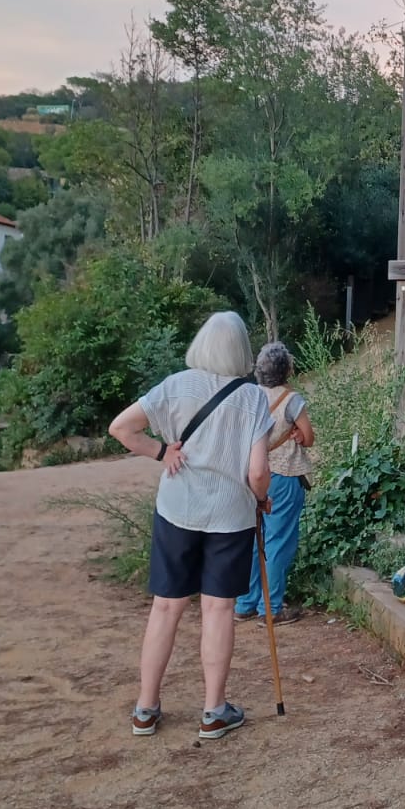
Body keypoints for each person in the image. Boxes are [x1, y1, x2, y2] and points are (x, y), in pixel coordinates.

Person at [108, 310, 273, 741]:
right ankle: (214, 711)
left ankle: (145, 708)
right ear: (241, 350)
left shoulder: (176, 385)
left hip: (177, 510)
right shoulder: (253, 397)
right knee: (218, 610)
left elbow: (121, 428)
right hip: (230, 517)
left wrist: (162, 453)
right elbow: (258, 472)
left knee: (166, 606)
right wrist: (261, 499)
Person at [235, 341, 315, 626]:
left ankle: (245, 603)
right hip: (283, 475)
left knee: (254, 540)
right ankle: (271, 608)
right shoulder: (291, 400)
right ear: (287, 369)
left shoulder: (249, 397)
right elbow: (308, 436)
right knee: (278, 542)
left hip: (251, 474)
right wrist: (294, 433)